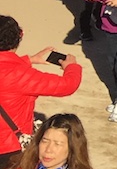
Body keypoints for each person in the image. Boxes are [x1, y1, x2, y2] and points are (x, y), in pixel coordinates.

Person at [0, 17, 83, 158]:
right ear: (21, 35)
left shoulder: (18, 73)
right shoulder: (21, 76)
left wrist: (27, 60)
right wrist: (72, 67)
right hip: (8, 147)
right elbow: (67, 85)